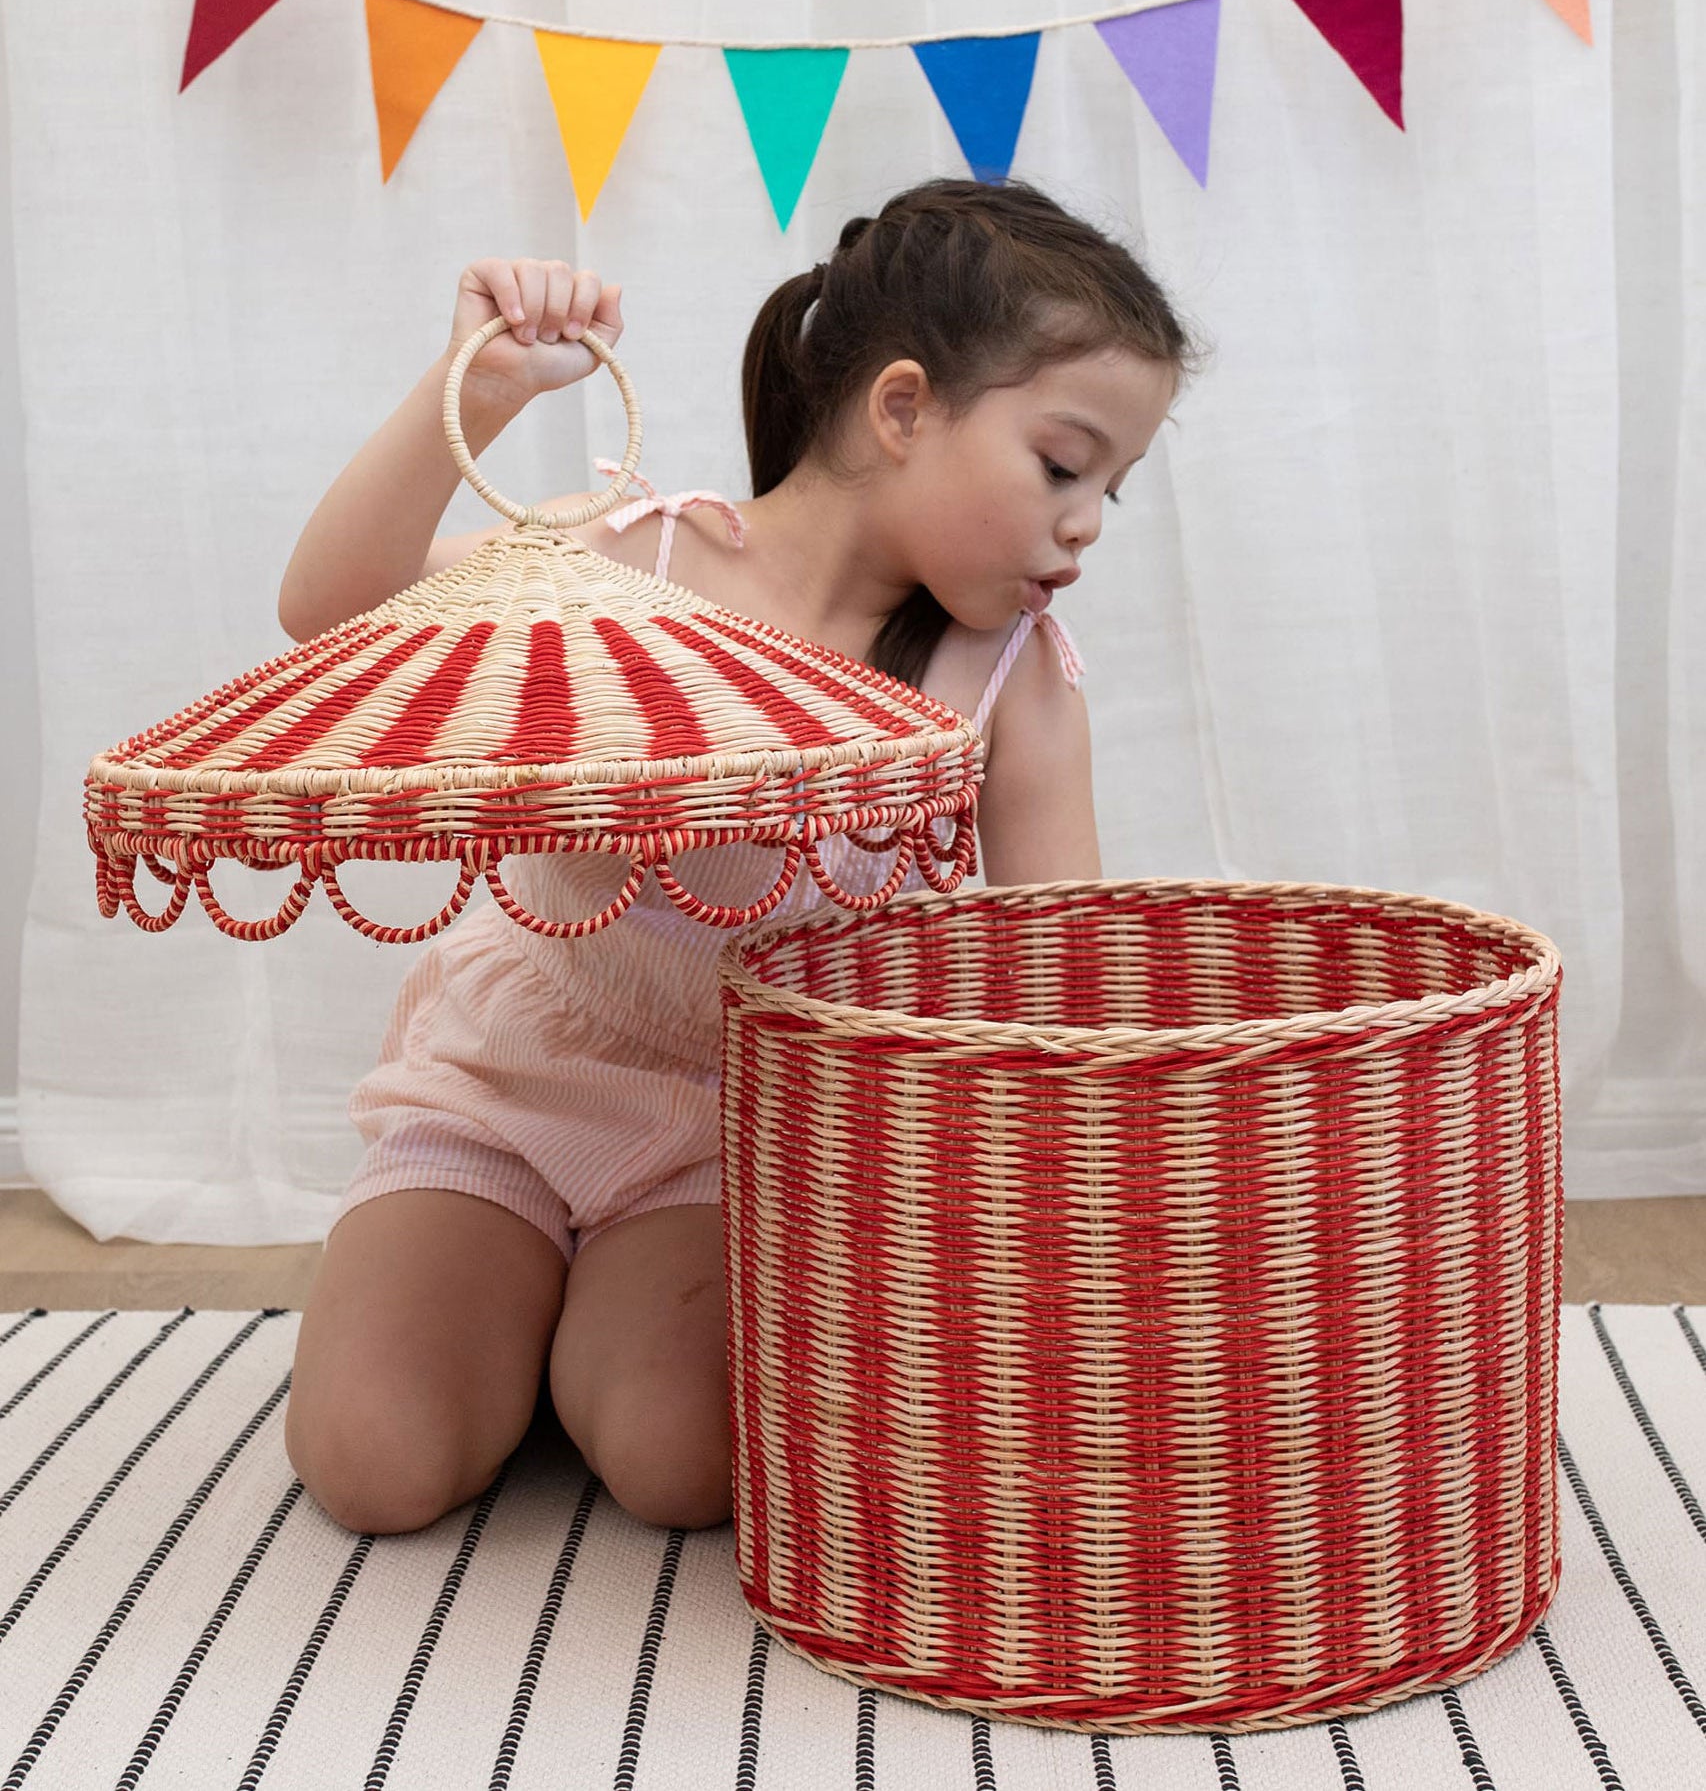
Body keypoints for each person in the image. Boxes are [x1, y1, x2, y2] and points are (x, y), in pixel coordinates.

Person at [277, 175, 1201, 1541]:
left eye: (1111, 491)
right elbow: (329, 614)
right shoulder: (631, 564)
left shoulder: (1005, 676)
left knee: (687, 1469)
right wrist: (474, 393)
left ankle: (576, 1336)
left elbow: (1053, 977)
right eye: (1062, 468)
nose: (1086, 525)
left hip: (747, 1138)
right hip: (509, 1087)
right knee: (375, 1466)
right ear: (900, 411)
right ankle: (490, 1305)